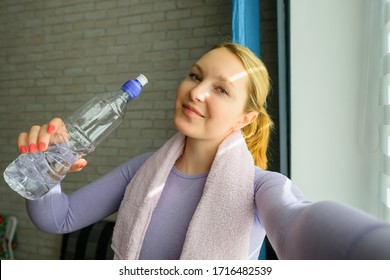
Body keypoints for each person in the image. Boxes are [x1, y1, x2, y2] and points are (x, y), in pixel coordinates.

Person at [18, 42, 390, 259]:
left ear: (245, 119)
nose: (196, 92)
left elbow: (299, 226)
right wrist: (44, 168)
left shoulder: (262, 189)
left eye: (221, 89)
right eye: (196, 76)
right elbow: (57, 219)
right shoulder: (142, 170)